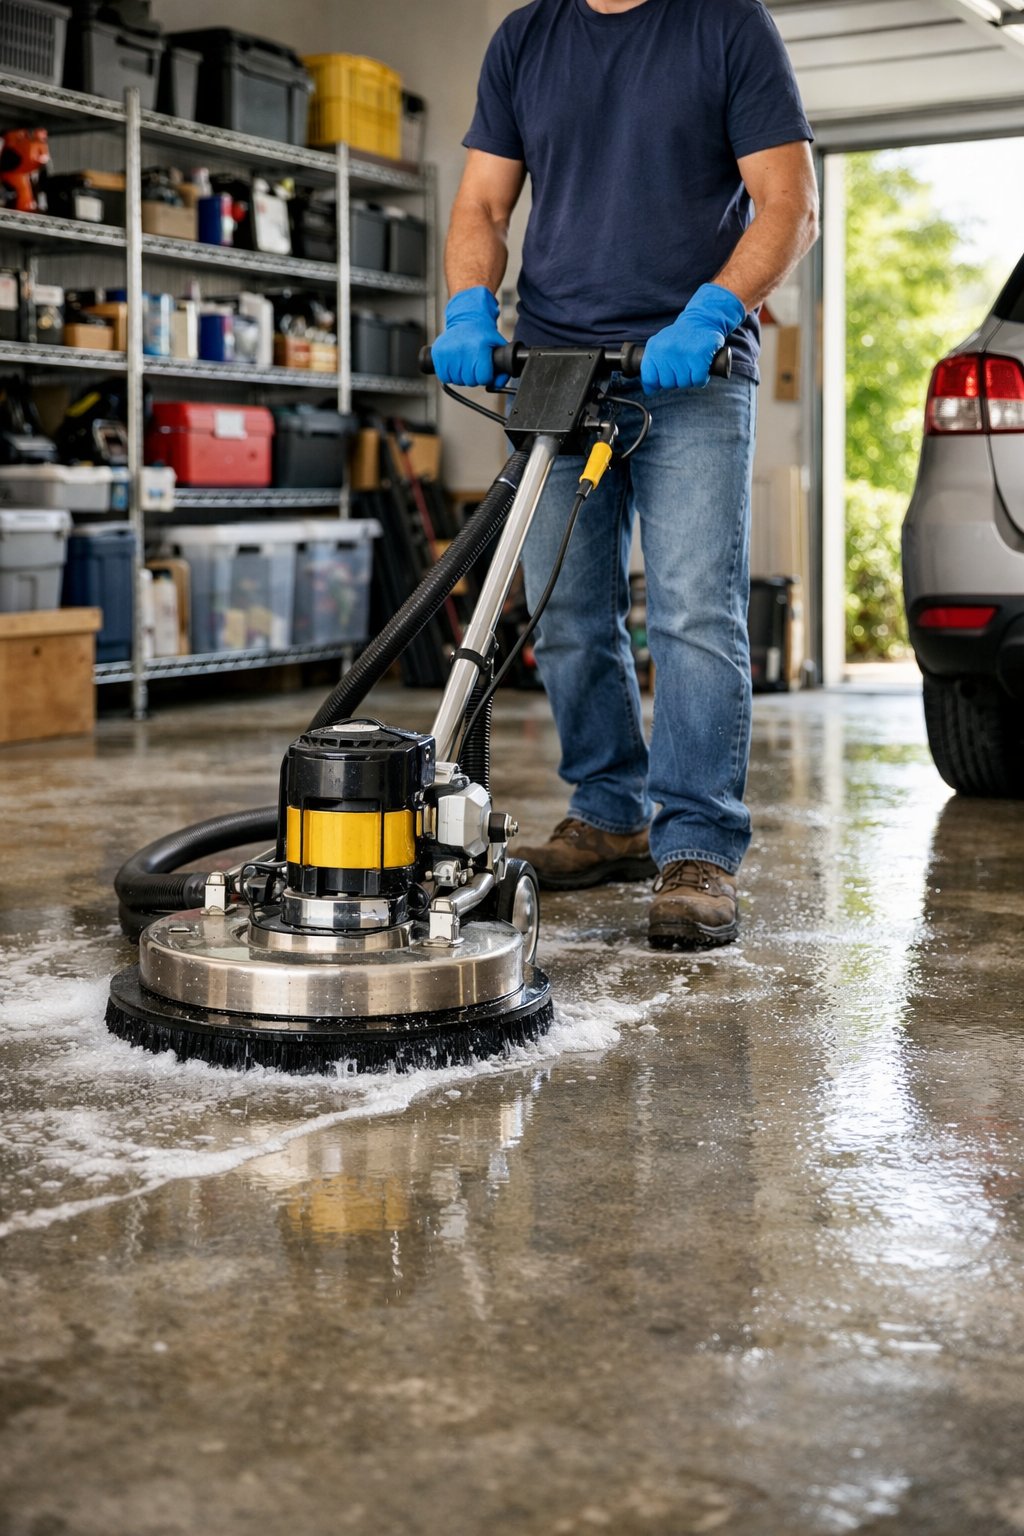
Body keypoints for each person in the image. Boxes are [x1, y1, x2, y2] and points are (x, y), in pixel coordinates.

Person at [431, 0, 818, 950]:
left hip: (687, 364)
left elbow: (790, 203)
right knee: (564, 610)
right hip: (557, 367)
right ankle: (609, 813)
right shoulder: (525, 38)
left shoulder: (727, 25)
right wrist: (470, 307)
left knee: (691, 608)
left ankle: (698, 846)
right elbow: (482, 204)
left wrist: (714, 310)